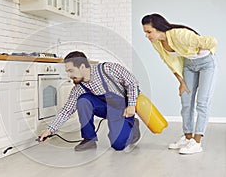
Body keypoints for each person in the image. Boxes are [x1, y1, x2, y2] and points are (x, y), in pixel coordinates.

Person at [141, 13, 218, 154]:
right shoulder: (157, 43)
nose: (147, 36)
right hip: (188, 66)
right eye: (145, 32)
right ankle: (188, 138)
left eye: (149, 32)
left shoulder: (179, 34)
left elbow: (211, 41)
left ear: (158, 28)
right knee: (186, 101)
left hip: (206, 64)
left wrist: (200, 50)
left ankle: (197, 142)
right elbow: (170, 62)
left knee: (202, 102)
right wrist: (181, 82)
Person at [39, 51, 141, 151]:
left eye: (71, 71)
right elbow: (66, 110)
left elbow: (132, 82)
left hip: (123, 110)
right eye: (68, 72)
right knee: (83, 100)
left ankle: (133, 127)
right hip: (105, 109)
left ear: (82, 67)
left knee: (118, 145)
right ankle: (89, 139)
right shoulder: (79, 88)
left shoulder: (108, 69)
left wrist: (131, 105)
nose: (69, 75)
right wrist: (49, 130)